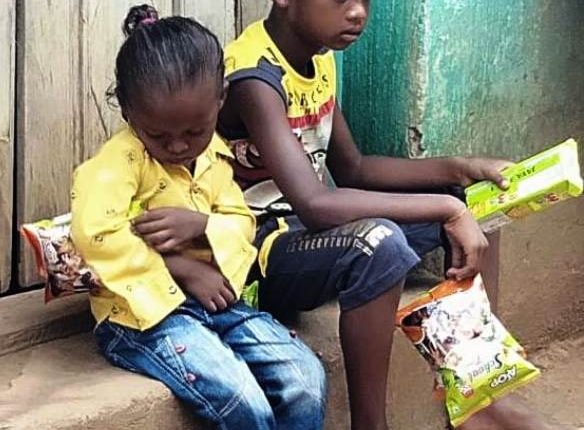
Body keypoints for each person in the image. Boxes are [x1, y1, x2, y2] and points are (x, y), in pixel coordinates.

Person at [199, 1, 551, 429]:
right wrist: (446, 208)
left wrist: (461, 170)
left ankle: (479, 396)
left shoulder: (316, 58)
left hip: (309, 231)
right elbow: (315, 203)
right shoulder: (254, 77)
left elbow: (354, 168)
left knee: (475, 204)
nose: (358, 13)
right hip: (259, 247)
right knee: (379, 242)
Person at [71, 5, 326, 429]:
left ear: (221, 101)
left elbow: (240, 218)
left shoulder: (213, 156)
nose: (178, 147)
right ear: (128, 112)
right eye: (158, 135)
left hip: (215, 304)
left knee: (305, 379)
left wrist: (203, 226)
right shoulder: (117, 164)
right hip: (143, 318)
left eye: (194, 132)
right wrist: (183, 267)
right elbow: (95, 233)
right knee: (242, 398)